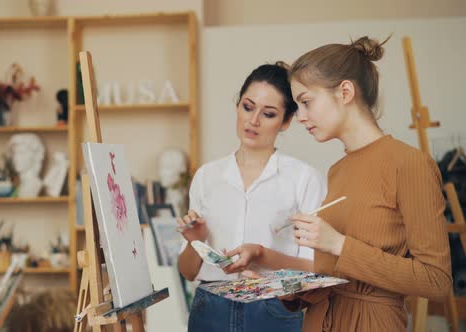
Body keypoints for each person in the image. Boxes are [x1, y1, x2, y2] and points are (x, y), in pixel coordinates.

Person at [285, 36, 452, 331]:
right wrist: (299, 291)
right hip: (319, 320)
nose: (300, 117)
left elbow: (436, 280)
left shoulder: (409, 164)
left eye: (306, 102)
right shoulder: (337, 170)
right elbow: (342, 272)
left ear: (345, 91)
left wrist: (338, 244)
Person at [177, 63, 326, 331]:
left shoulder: (304, 178)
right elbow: (188, 271)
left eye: (268, 114)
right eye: (247, 107)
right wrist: (195, 242)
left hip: (272, 306)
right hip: (210, 307)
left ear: (287, 121)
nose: (253, 120)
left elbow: (314, 268)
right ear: (237, 105)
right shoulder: (206, 176)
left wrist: (262, 255)